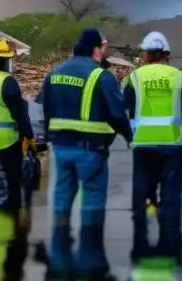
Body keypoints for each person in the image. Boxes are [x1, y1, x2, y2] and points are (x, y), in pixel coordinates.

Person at [38, 28, 132, 230]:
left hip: (61, 148)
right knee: (93, 195)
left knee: (62, 192)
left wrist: (45, 139)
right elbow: (117, 114)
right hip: (91, 149)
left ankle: (60, 235)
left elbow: (44, 109)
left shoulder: (53, 74)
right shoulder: (102, 76)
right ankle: (90, 240)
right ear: (96, 50)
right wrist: (130, 137)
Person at [123, 31, 182, 230]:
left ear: (145, 54)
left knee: (143, 183)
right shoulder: (179, 76)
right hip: (171, 141)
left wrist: (129, 135)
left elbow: (125, 105)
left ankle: (144, 215)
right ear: (166, 54)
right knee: (170, 188)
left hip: (143, 141)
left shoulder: (134, 77)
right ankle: (169, 227)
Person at [0, 39, 35, 210]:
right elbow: (19, 112)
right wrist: (29, 135)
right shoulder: (8, 81)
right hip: (6, 140)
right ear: (8, 60)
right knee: (12, 181)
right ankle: (12, 217)